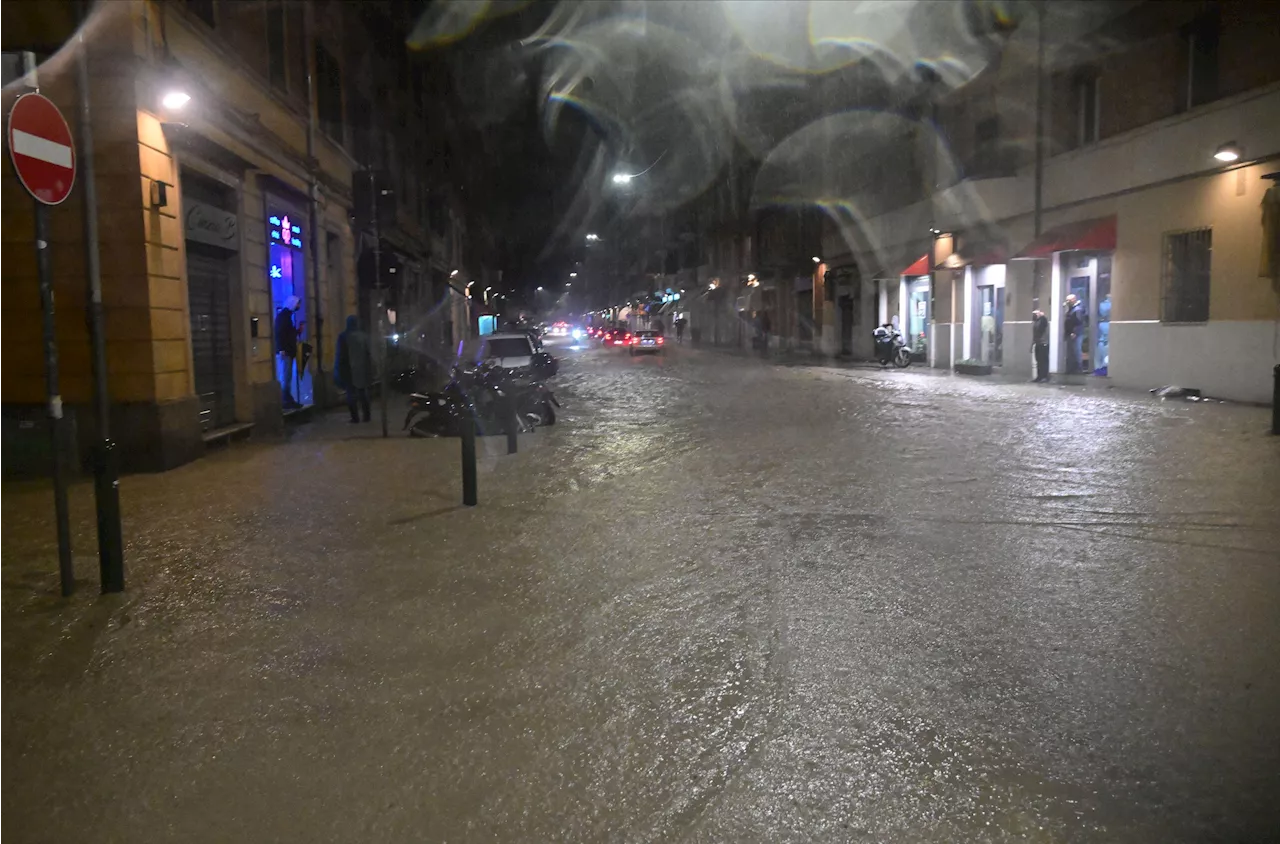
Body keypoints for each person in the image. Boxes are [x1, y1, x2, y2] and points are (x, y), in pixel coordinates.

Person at [334, 315, 373, 423]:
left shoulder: (343, 336)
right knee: (363, 393)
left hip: (348, 369)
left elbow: (340, 355)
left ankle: (355, 417)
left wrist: (337, 370)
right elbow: (368, 354)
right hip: (362, 369)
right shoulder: (364, 336)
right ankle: (367, 416)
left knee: (351, 394)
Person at [275, 296, 302, 408]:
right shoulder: (284, 317)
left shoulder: (286, 316)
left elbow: (287, 334)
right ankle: (286, 400)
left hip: (288, 351)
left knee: (288, 376)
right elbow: (279, 333)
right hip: (286, 352)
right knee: (286, 377)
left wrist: (298, 331)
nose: (298, 306)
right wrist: (281, 348)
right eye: (297, 304)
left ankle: (287, 399)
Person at [1063, 294, 1086, 374]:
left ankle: (1078, 369)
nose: (1067, 302)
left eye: (1068, 300)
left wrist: (1074, 332)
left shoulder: (1077, 310)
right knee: (1071, 352)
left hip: (1075, 334)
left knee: (1076, 351)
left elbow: (1078, 322)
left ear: (1073, 300)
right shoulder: (1072, 309)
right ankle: (1072, 369)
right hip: (1071, 334)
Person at [1031, 309, 1050, 382]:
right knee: (1038, 360)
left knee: (1043, 361)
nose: (1033, 316)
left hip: (1043, 343)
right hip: (1038, 343)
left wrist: (1042, 316)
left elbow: (1040, 330)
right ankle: (1039, 376)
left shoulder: (1043, 320)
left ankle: (1044, 377)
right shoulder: (1036, 322)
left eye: (1035, 314)